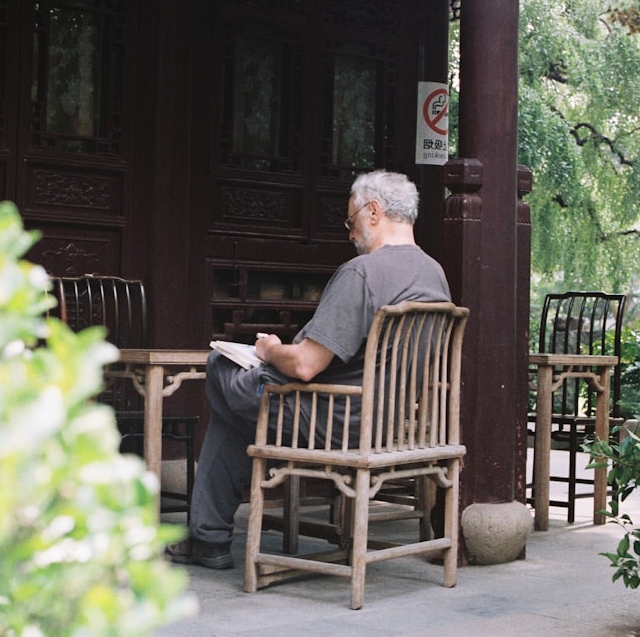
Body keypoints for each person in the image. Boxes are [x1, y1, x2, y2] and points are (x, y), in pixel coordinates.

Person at [165, 169, 451, 569]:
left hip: (329, 420)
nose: (350, 235)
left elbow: (304, 365)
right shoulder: (435, 274)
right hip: (390, 423)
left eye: (350, 223)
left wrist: (269, 349)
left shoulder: (363, 273)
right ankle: (207, 538)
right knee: (238, 411)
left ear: (373, 211)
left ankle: (209, 537)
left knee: (220, 367)